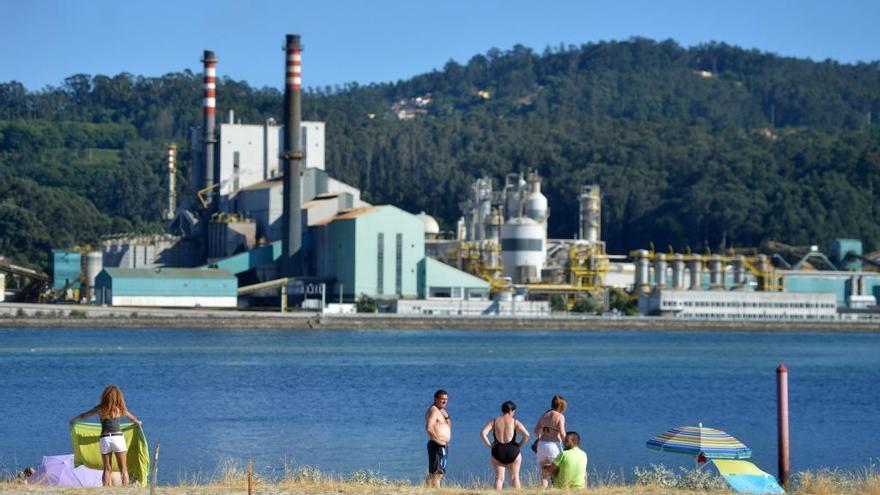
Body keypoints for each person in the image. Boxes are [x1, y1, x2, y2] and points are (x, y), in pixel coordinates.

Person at [69, 385, 142, 486]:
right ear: (118, 396)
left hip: (105, 439)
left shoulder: (100, 408)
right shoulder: (120, 408)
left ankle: (106, 490)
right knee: (123, 468)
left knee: (107, 468)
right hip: (117, 438)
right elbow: (133, 418)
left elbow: (84, 415)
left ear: (105, 396)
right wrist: (138, 422)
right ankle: (126, 490)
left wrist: (74, 420)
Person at [480, 400, 530, 490]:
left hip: (498, 451)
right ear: (511, 411)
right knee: (515, 477)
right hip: (512, 450)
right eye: (514, 412)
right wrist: (519, 445)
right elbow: (527, 435)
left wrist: (490, 445)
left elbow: (483, 433)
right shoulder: (515, 422)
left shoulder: (494, 421)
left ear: (503, 410)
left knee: (499, 478)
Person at [533, 395, 567, 488]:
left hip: (542, 445)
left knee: (544, 475)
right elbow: (562, 432)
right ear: (561, 406)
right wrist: (568, 444)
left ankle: (542, 491)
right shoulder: (560, 416)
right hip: (554, 446)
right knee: (556, 474)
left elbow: (536, 430)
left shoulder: (545, 414)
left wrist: (540, 438)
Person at [424, 389, 451, 487]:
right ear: (436, 399)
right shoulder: (433, 410)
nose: (444, 401)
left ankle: (427, 490)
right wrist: (439, 441)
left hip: (443, 445)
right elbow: (429, 428)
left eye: (446, 399)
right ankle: (436, 491)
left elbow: (448, 426)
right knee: (437, 473)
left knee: (439, 472)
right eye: (442, 399)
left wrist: (447, 417)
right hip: (437, 445)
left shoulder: (441, 411)